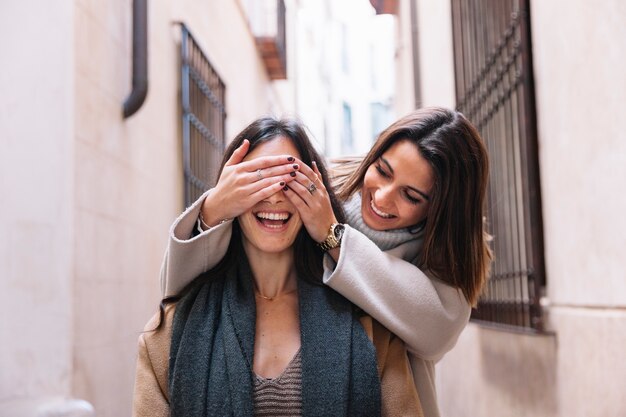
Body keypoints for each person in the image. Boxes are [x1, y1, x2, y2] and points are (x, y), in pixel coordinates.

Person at [159, 107, 492, 417]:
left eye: (411, 196)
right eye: (382, 170)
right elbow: (178, 296)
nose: (381, 196)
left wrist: (332, 235)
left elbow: (437, 330)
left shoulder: (440, 255)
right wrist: (213, 211)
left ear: (440, 210)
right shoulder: (318, 194)